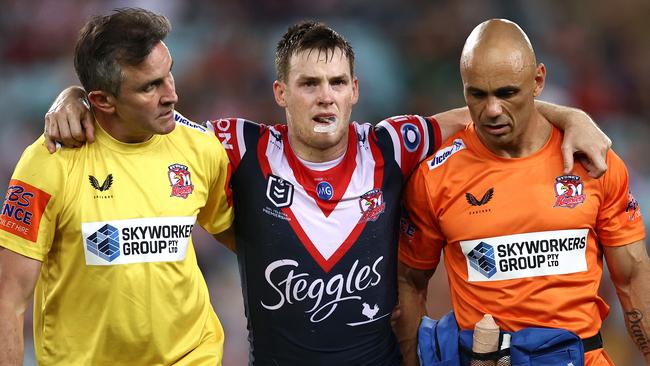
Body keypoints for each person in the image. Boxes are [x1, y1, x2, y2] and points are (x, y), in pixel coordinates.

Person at [43, 20, 612, 365]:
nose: (325, 97)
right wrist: (75, 96)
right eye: (309, 83)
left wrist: (570, 114)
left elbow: (490, 112)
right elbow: (145, 113)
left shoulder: (392, 145)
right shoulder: (236, 147)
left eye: (337, 82)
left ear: (355, 90)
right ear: (280, 93)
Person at [396, 19, 649, 366]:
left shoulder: (592, 162)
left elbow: (633, 276)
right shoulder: (435, 176)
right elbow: (409, 282)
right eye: (477, 94)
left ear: (538, 80)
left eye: (507, 93)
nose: (493, 110)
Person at [0, 8, 233, 366]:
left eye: (168, 74)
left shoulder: (201, 149)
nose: (171, 94)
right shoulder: (48, 163)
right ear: (103, 100)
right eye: (150, 86)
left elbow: (249, 240)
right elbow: (9, 296)